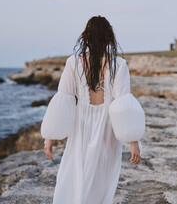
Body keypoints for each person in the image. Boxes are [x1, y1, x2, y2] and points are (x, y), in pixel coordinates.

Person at [41, 15, 141, 204]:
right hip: (107, 128)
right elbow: (123, 104)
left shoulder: (74, 62)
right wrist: (133, 141)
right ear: (108, 37)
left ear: (86, 36)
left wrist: (50, 137)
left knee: (76, 177)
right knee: (102, 180)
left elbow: (64, 99)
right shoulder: (119, 64)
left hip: (82, 126)